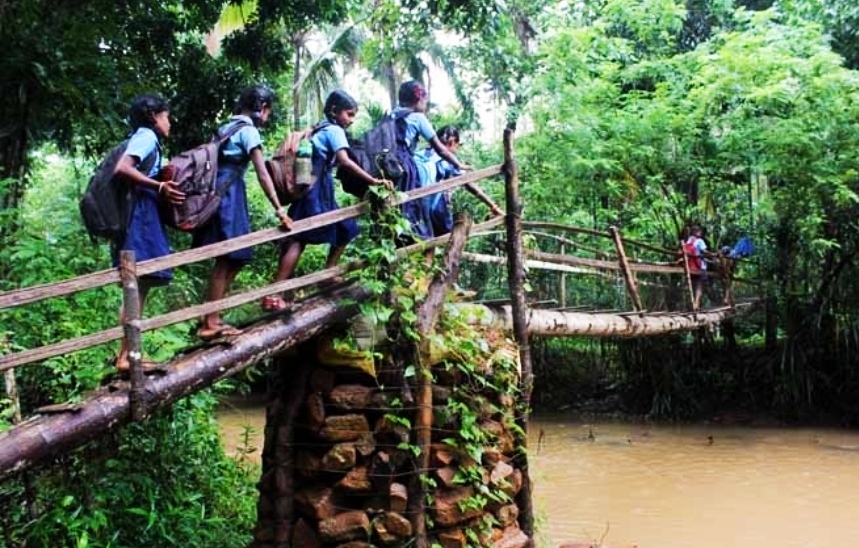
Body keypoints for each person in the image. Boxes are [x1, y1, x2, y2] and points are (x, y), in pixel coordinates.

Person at [262, 90, 390, 312]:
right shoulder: (334, 131)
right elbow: (345, 162)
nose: (350, 121)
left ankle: (326, 274)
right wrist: (374, 181)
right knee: (300, 238)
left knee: (343, 228)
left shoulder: (319, 128)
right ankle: (274, 294)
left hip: (314, 188)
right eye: (348, 115)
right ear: (334, 111)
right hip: (316, 189)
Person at [193, 85, 292, 339]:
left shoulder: (226, 126)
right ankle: (211, 321)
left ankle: (210, 316)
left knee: (236, 256)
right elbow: (262, 173)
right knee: (229, 257)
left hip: (217, 193)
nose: (267, 116)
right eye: (268, 110)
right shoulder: (248, 130)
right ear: (262, 107)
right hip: (229, 195)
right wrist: (279, 209)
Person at [112, 93, 186, 371]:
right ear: (154, 116)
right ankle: (126, 356)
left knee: (138, 286)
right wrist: (158, 186)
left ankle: (129, 354)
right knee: (136, 285)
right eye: (166, 116)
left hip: (141, 212)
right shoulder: (146, 137)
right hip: (140, 215)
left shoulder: (145, 138)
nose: (170, 122)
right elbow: (123, 168)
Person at [391, 81, 472, 258]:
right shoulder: (418, 118)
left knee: (397, 219)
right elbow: (440, 149)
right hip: (406, 170)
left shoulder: (391, 115)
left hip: (390, 170)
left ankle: (401, 268)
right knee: (419, 221)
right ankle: (418, 273)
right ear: (418, 98)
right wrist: (459, 164)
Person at [416, 125, 463, 237]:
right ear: (451, 142)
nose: (457, 149)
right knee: (433, 241)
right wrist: (492, 206)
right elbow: (468, 183)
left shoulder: (419, 155)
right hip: (433, 208)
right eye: (457, 145)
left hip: (414, 208)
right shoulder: (447, 161)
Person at [684, 225, 709, 310]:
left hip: (691, 266)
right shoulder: (700, 241)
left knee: (693, 284)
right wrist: (712, 255)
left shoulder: (689, 240)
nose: (701, 233)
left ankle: (691, 303)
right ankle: (696, 304)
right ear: (696, 232)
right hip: (700, 266)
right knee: (699, 286)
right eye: (699, 231)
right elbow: (704, 251)